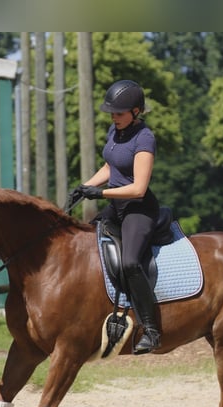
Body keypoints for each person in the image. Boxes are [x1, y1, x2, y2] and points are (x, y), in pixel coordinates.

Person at [75, 79, 161, 354]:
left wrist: (99, 195)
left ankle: (151, 329)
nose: (114, 117)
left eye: (119, 113)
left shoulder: (144, 138)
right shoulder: (116, 130)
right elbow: (110, 166)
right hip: (115, 206)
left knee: (130, 263)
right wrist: (85, 186)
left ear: (136, 111)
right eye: (111, 113)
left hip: (138, 208)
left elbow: (138, 188)